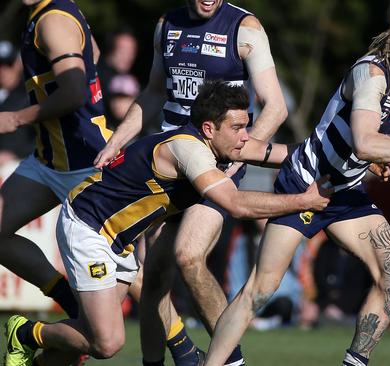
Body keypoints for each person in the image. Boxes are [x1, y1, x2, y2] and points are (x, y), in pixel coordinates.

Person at [204, 1, 390, 365]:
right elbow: (365, 141)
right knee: (260, 291)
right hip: (306, 184)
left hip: (346, 193)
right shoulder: (371, 73)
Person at [4, 80, 331, 365]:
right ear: (209, 128)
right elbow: (236, 204)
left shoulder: (220, 142)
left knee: (88, 334)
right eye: (238, 128)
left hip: (117, 240)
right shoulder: (187, 150)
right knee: (108, 342)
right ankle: (25, 332)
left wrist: (348, 158)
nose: (246, 137)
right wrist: (305, 201)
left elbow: (288, 153)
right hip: (88, 227)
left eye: (246, 126)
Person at [92, 1, 288, 364]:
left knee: (189, 255)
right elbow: (152, 93)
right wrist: (116, 140)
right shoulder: (167, 24)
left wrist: (238, 154)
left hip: (217, 163)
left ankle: (231, 361)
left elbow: (275, 106)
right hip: (171, 164)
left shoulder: (244, 27)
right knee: (153, 277)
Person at [0, 0, 111, 322]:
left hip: (86, 162)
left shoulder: (52, 20)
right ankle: (69, 303)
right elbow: (94, 53)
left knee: (132, 278)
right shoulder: (50, 12)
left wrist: (18, 118)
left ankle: (183, 348)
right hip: (49, 161)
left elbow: (75, 92)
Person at [0, 40, 33, 161]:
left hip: (20, 166)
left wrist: (16, 155)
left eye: (8, 64)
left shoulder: (30, 96)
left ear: (18, 64)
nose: (2, 70)